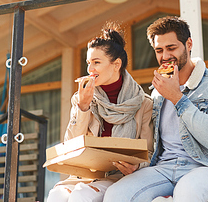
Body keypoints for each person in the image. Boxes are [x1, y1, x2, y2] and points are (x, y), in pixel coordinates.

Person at [104, 16, 208, 202]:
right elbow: (157, 147)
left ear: (188, 44)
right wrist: (137, 166)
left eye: (171, 48)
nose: (165, 56)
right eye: (159, 50)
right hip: (164, 168)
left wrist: (178, 98)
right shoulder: (156, 93)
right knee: (116, 195)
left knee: (186, 193)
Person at [47, 23, 154, 202]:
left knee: (82, 195)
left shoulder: (144, 103)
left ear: (116, 64)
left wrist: (136, 167)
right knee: (56, 195)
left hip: (119, 178)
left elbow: (149, 153)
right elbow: (70, 146)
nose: (90, 70)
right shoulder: (82, 99)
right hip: (85, 175)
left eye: (96, 62)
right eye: (89, 63)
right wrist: (83, 108)